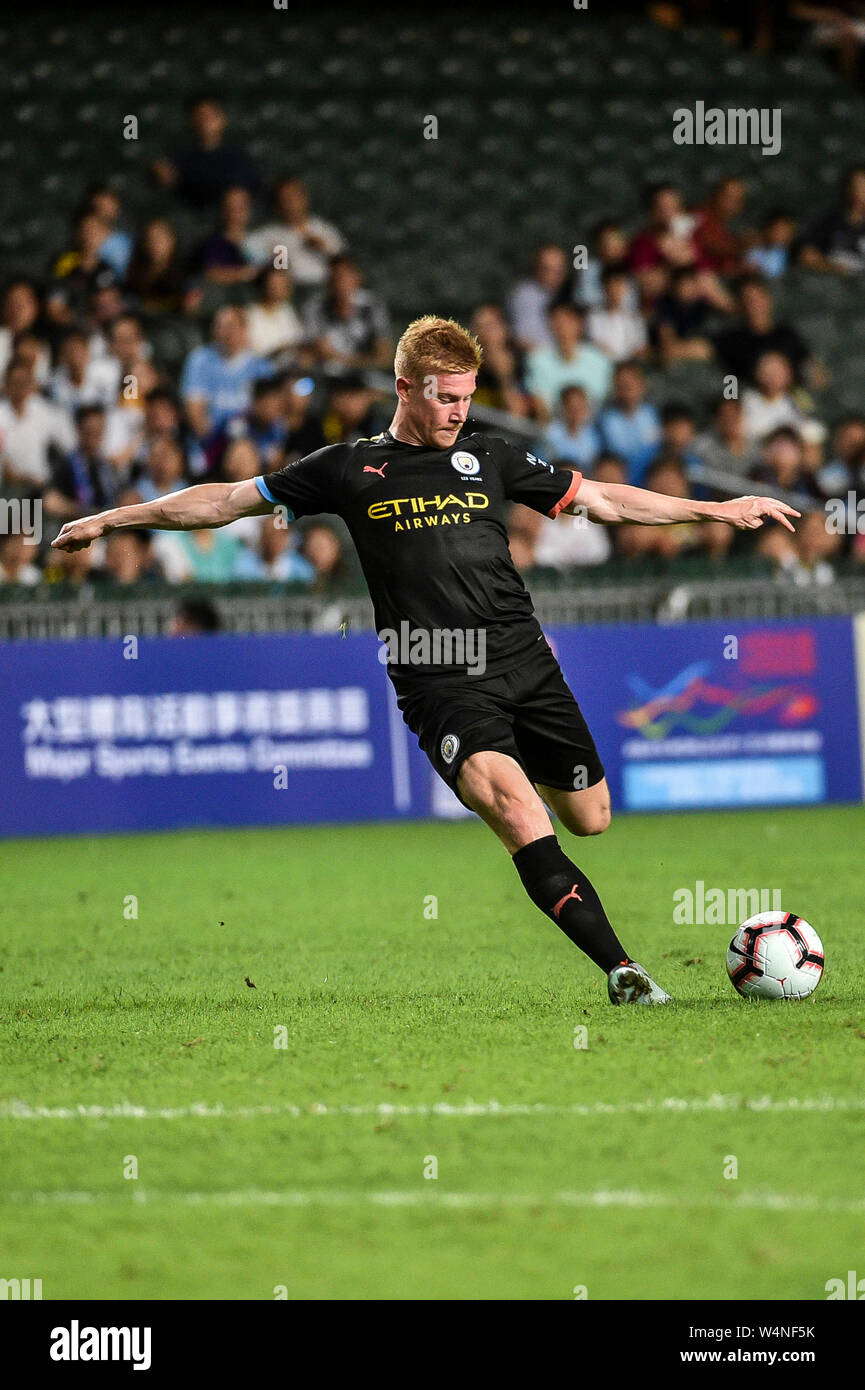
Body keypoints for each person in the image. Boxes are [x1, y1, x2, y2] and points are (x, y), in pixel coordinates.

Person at [52, 315, 799, 1006]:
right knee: (515, 808)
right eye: (445, 398)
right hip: (436, 675)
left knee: (591, 817)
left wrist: (713, 510)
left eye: (468, 398)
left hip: (524, 661)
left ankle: (520, 774)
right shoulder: (349, 467)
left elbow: (600, 500)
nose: (458, 412)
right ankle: (623, 970)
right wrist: (114, 518)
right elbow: (221, 503)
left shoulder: (492, 455)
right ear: (405, 387)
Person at [152, 95, 260, 209]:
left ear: (222, 119)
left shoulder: (240, 155)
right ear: (192, 121)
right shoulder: (180, 155)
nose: (205, 122)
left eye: (210, 116)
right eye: (201, 117)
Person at [244, 176, 345, 287]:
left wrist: (323, 247)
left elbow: (343, 262)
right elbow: (254, 265)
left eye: (295, 196)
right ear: (277, 205)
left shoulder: (323, 229)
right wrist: (278, 262)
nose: (291, 203)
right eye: (285, 199)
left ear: (305, 198)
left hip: (325, 289)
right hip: (290, 292)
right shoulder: (267, 236)